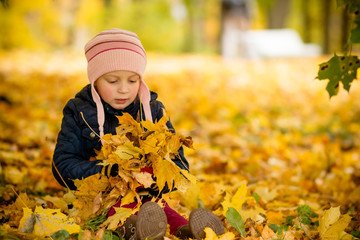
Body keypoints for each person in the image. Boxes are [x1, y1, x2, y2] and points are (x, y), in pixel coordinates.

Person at [52, 28, 224, 240]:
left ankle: (187, 231)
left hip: (148, 197)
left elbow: (178, 164)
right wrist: (111, 172)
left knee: (158, 209)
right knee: (115, 212)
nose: (123, 89)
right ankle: (133, 229)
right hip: (99, 199)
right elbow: (62, 166)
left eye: (132, 81)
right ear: (95, 80)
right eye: (113, 81)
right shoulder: (78, 111)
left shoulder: (153, 111)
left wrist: (154, 178)